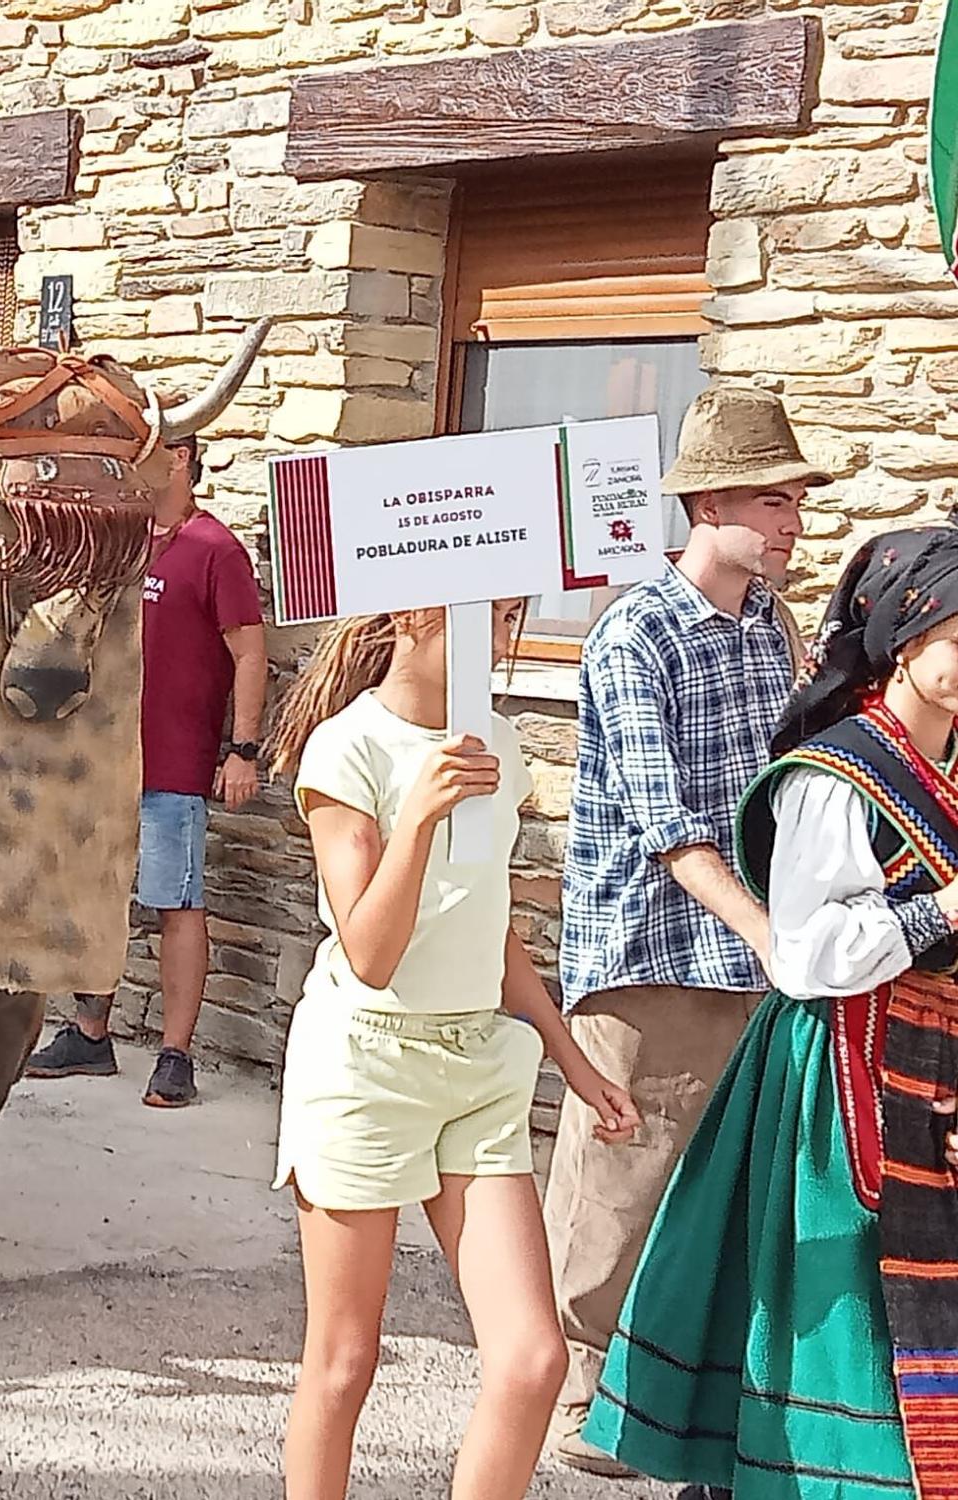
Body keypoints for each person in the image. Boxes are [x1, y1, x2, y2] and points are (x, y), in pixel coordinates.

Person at [587, 525, 958, 1500]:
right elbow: (801, 953)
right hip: (838, 1080)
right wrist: (936, 912)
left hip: (930, 1070)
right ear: (905, 639)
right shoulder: (832, 778)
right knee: (834, 1314)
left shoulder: (945, 763)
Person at [264, 602, 641, 1500]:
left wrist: (572, 1061)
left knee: (531, 1360)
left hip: (476, 1065)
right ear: (413, 612)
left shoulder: (500, 746)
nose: (502, 635)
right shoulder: (346, 749)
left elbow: (490, 924)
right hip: (365, 1063)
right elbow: (371, 952)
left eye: (514, 613)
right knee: (346, 1360)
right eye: (487, 613)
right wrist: (422, 814)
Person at [544, 383, 824, 1472]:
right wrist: (764, 929)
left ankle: (666, 1393)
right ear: (708, 504)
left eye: (794, 500)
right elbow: (666, 824)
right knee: (616, 1179)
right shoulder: (630, 633)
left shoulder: (771, 624)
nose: (792, 522)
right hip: (648, 950)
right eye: (774, 500)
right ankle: (574, 1397)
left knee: (710, 1180)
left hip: (750, 948)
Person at [26, 436, 267, 1106]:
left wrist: (242, 749)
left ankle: (175, 1054)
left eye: (149, 451)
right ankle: (90, 1033)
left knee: (176, 903)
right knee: (95, 895)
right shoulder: (124, 541)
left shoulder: (214, 548)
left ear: (183, 457)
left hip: (173, 764)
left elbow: (249, 652)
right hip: (104, 761)